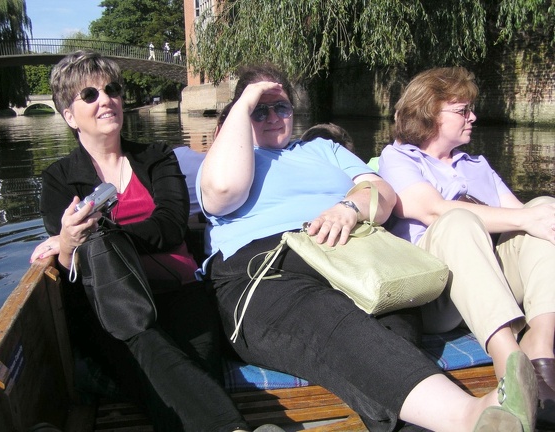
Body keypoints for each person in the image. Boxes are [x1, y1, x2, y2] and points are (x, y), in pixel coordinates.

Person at [197, 63, 538, 432]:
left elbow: (383, 192)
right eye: (259, 110)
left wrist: (349, 208)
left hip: (358, 256)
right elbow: (222, 193)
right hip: (267, 267)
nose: (273, 118)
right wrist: (246, 99)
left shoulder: (322, 148)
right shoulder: (229, 158)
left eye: (281, 107)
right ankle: (469, 416)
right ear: (240, 115)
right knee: (327, 317)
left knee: (396, 319)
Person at [30, 50, 282, 432]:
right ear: (69, 115)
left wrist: (105, 233)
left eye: (112, 89)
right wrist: (67, 243)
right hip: (111, 303)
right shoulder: (58, 178)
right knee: (139, 336)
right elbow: (70, 264)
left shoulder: (156, 157)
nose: (106, 100)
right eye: (90, 95)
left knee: (179, 377)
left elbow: (170, 226)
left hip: (180, 291)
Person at [378, 66, 555, 429]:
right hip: (437, 295)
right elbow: (429, 209)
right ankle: (508, 360)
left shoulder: (478, 165)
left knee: (541, 207)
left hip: (492, 286)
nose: (473, 117)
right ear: (428, 112)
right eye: (462, 111)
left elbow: (523, 218)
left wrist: (537, 215)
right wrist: (524, 220)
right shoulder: (398, 159)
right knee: (456, 221)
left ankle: (541, 346)